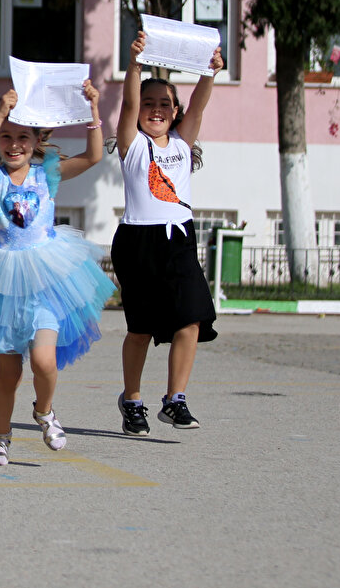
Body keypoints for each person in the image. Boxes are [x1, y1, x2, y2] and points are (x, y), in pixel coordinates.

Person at [0, 83, 113, 465]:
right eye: (6, 138)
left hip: (46, 278)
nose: (14, 145)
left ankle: (44, 411)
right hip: (1, 281)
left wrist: (94, 109)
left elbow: (94, 156)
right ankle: (1, 437)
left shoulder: (46, 174)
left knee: (45, 361)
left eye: (23, 138)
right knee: (9, 372)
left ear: (37, 141)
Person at [112, 32, 224, 436]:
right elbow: (127, 102)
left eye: (165, 104)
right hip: (137, 243)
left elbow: (200, 102)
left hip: (179, 239)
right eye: (149, 103)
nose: (156, 110)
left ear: (175, 111)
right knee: (140, 329)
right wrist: (135, 64)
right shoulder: (133, 144)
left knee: (191, 318)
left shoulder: (181, 140)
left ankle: (175, 399)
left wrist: (210, 71)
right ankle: (133, 400)